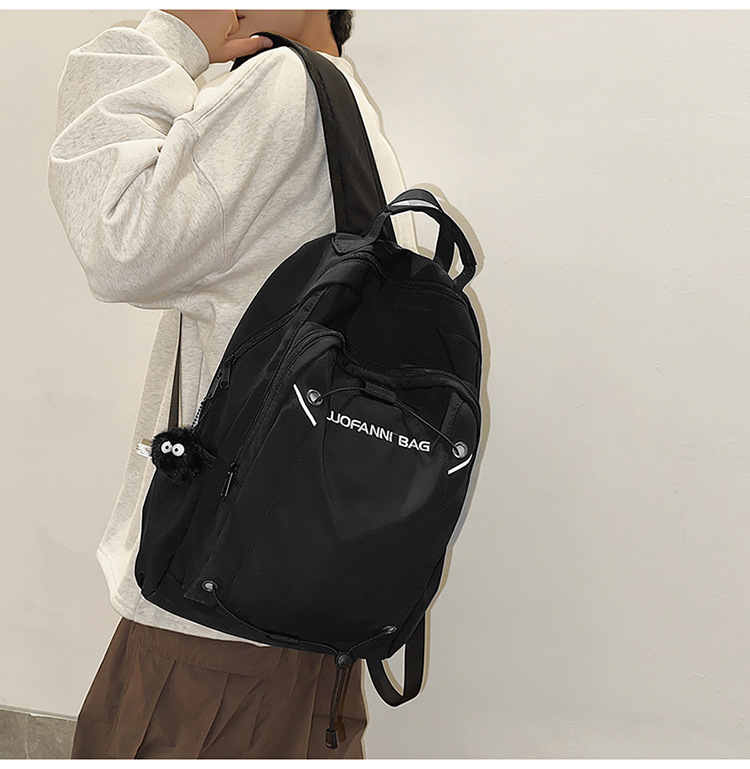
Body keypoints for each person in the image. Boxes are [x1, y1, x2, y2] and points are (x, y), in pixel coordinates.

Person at [47, 9, 417, 759]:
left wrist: (169, 34)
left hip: (213, 626)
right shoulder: (347, 112)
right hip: (301, 615)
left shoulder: (282, 88)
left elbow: (117, 243)